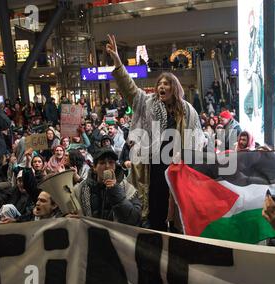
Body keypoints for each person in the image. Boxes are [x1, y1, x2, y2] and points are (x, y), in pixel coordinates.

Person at [106, 34, 204, 231]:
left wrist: (186, 155)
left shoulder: (188, 110)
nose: (162, 86)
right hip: (152, 167)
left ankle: (177, 237)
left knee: (178, 208)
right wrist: (118, 62)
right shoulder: (147, 103)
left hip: (178, 168)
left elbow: (198, 138)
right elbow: (129, 88)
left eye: (166, 84)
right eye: (160, 83)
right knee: (154, 207)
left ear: (174, 88)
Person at [75, 149, 142, 226]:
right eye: (102, 163)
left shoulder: (128, 188)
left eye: (111, 162)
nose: (107, 166)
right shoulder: (81, 189)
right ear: (94, 168)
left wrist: (116, 191)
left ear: (115, 166)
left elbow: (134, 219)